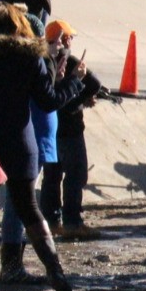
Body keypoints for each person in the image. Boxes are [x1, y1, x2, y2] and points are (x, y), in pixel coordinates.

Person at [0, 2, 85, 291]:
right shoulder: (28, 58)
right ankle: (56, 273)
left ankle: (14, 266)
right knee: (28, 206)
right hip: (17, 135)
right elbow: (49, 101)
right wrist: (73, 81)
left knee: (24, 205)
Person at [39, 20, 103, 241]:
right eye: (70, 38)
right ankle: (72, 222)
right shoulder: (71, 62)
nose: (71, 41)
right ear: (64, 39)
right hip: (71, 130)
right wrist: (82, 97)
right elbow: (95, 84)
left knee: (51, 177)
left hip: (51, 130)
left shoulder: (43, 63)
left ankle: (50, 221)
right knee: (75, 176)